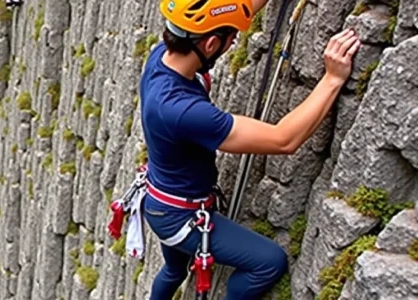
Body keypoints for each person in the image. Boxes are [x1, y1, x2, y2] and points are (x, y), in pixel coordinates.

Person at [138, 0, 360, 298]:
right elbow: (284, 139)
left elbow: (229, 14)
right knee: (269, 262)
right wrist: (332, 79)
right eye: (232, 39)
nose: (234, 44)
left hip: (161, 202)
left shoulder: (160, 59)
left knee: (174, 270)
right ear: (211, 43)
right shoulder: (180, 111)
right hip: (181, 217)